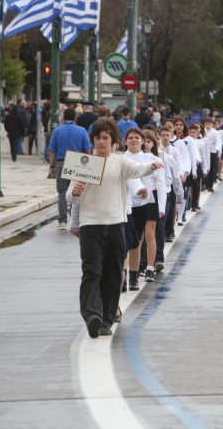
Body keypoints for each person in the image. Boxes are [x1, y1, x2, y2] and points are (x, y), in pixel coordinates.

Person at [71, 119, 161, 338]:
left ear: (112, 141)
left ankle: (107, 319)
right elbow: (72, 196)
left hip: (115, 225)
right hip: (91, 226)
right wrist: (73, 196)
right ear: (92, 139)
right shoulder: (85, 162)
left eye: (105, 138)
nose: (101, 142)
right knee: (91, 272)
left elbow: (137, 170)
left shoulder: (120, 162)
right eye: (97, 138)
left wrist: (151, 167)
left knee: (112, 275)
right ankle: (92, 315)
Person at [124, 128, 165, 282]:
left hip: (147, 202)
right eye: (130, 137)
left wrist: (161, 206)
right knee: (132, 240)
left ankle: (149, 267)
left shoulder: (151, 158)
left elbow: (160, 183)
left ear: (142, 141)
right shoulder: (122, 158)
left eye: (137, 137)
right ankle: (129, 272)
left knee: (147, 235)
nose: (134, 140)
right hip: (128, 203)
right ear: (125, 141)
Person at [49, 108, 93, 229]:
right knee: (77, 190)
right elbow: (87, 149)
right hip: (77, 162)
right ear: (75, 118)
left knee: (62, 192)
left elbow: (52, 151)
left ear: (63, 117)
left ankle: (62, 220)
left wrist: (51, 166)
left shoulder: (57, 131)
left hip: (61, 162)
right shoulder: (82, 130)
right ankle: (76, 219)